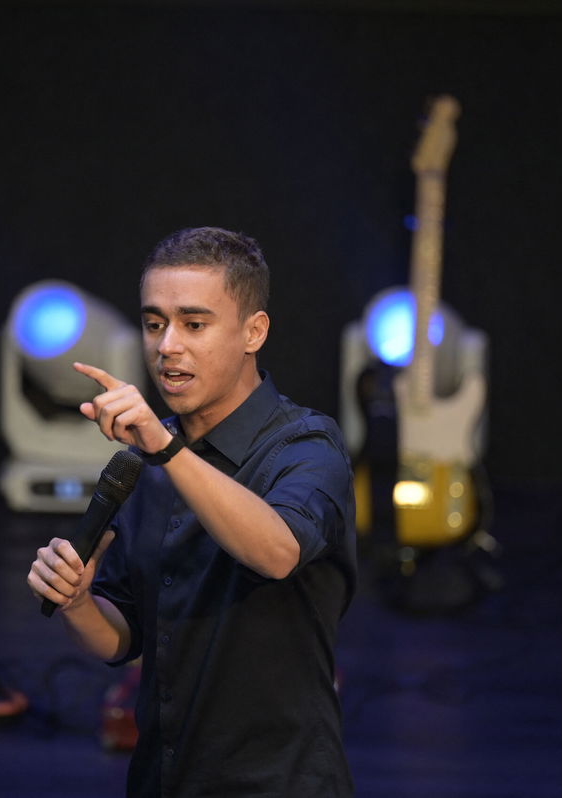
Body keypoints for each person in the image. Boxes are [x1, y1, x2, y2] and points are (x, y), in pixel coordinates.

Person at [27, 226, 356, 797]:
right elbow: (124, 638)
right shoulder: (148, 461)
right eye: (155, 323)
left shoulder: (307, 446)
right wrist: (79, 602)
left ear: (254, 332)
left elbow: (277, 552)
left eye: (193, 324)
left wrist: (166, 449)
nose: (166, 346)